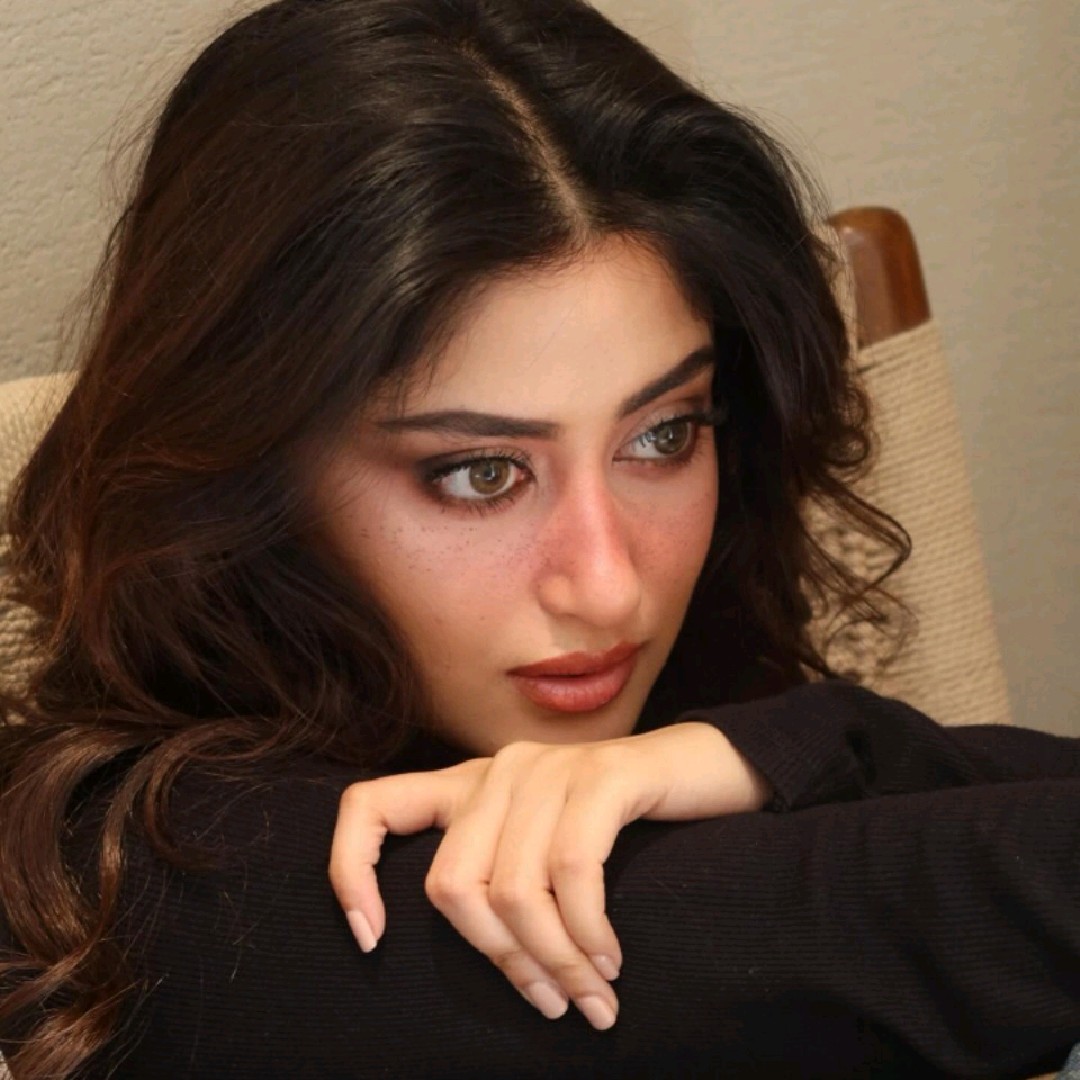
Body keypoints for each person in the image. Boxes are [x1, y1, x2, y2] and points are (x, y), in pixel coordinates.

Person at [0, 0, 1076, 1077]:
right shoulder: (163, 872)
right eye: (480, 473)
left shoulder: (689, 716)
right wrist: (824, 752)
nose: (607, 587)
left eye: (662, 434)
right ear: (251, 474)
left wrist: (775, 748)